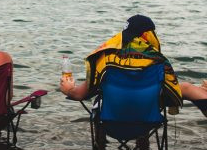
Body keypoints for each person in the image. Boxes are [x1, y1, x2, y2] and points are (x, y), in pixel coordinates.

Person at [60, 15, 207, 117]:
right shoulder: (159, 62)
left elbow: (79, 95)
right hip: (148, 120)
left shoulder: (105, 59)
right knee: (157, 97)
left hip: (111, 120)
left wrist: (69, 89)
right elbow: (174, 94)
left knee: (101, 98)